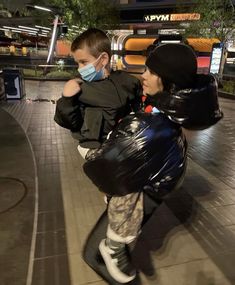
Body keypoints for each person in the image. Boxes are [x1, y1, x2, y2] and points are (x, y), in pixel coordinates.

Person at [83, 43, 223, 283]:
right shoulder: (168, 112)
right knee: (102, 251)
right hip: (148, 190)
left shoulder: (154, 127)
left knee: (95, 255)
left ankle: (116, 254)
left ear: (167, 80)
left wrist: (87, 151)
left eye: (150, 71)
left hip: (138, 192)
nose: (143, 76)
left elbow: (105, 166)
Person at [54, 28, 142, 158]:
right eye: (77, 63)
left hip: (126, 150)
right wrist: (67, 99)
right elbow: (69, 122)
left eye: (84, 62)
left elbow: (139, 109)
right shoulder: (79, 86)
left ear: (103, 59)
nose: (80, 68)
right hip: (97, 155)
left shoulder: (128, 82)